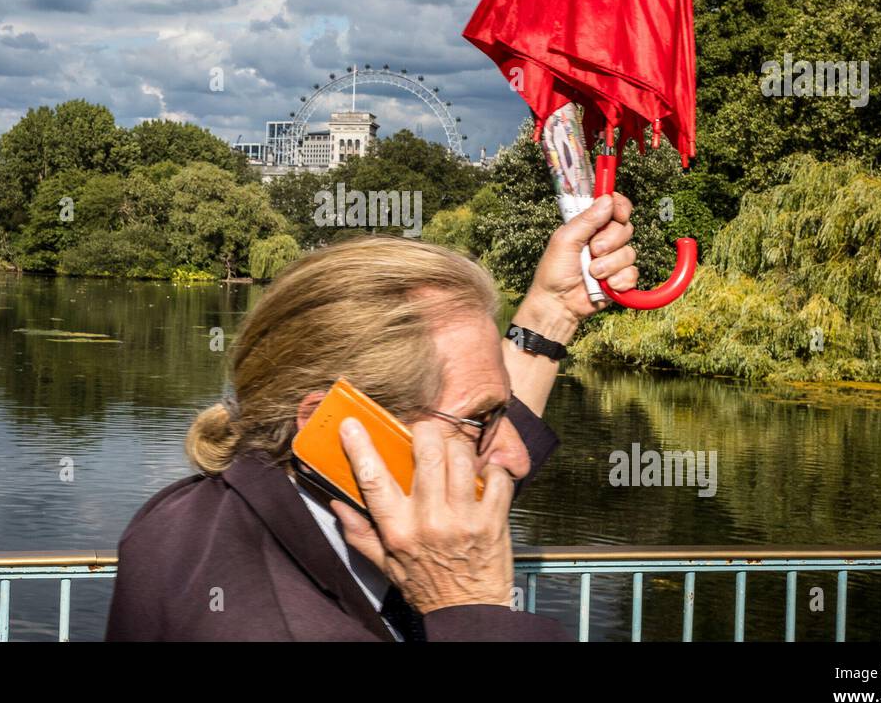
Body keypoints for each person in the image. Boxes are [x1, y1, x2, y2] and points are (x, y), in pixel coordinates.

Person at [106, 193, 638, 641]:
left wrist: (554, 309)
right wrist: (472, 608)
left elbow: (447, 452)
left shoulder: (184, 515)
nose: (517, 457)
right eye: (482, 421)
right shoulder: (282, 626)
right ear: (342, 432)